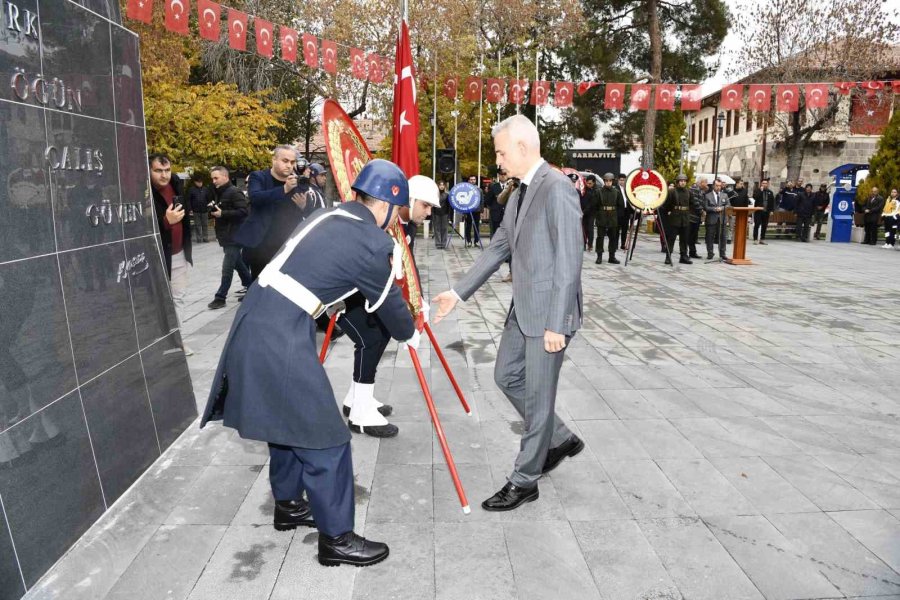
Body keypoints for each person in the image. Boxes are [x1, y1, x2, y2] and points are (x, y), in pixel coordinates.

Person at [201, 159, 417, 567]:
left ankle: (287, 505)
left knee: (286, 422)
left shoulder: (331, 214)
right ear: (388, 204)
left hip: (261, 317)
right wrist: (410, 334)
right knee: (327, 436)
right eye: (398, 211)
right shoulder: (370, 240)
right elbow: (388, 302)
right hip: (279, 333)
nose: (395, 221)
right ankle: (336, 539)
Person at [432, 115, 583, 512]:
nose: (497, 160)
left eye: (500, 152)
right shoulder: (519, 193)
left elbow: (570, 260)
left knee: (538, 394)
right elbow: (499, 248)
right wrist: (457, 293)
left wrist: (557, 323)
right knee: (505, 376)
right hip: (524, 309)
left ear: (521, 147)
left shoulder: (557, 188)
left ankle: (525, 479)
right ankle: (559, 437)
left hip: (549, 314)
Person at [338, 175, 440, 438]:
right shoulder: (382, 224)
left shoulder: (408, 225)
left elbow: (406, 265)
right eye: (425, 205)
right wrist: (405, 327)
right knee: (371, 337)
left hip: (367, 291)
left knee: (379, 334)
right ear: (411, 200)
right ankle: (360, 414)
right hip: (342, 295)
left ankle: (357, 398)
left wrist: (418, 299)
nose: (427, 213)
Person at [234, 146, 313, 280]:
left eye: (292, 162)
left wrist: (303, 206)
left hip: (287, 245)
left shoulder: (297, 181)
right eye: (285, 160)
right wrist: (284, 189)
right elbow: (255, 198)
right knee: (260, 286)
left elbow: (309, 212)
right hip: (261, 246)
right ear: (274, 160)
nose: (289, 165)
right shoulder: (258, 177)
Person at [149, 154, 192, 324]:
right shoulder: (144, 192)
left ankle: (179, 342)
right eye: (158, 171)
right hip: (157, 255)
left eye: (167, 170)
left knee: (178, 298)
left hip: (179, 253)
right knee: (158, 301)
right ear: (149, 170)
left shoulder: (175, 183)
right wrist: (167, 222)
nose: (164, 175)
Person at [207, 166, 252, 309]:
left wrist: (223, 214)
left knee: (227, 267)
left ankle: (220, 297)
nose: (213, 181)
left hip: (235, 236)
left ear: (225, 177)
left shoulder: (234, 192)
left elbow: (243, 212)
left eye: (216, 178)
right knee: (239, 265)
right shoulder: (220, 192)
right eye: (212, 178)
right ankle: (252, 289)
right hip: (226, 235)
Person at [660, 174, 693, 264]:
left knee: (684, 239)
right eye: (681, 181)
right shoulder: (672, 192)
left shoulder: (689, 192)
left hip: (685, 218)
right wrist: (668, 214)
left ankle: (683, 256)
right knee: (671, 238)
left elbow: (692, 204)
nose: (683, 182)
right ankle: (668, 256)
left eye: (684, 181)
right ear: (677, 182)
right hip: (675, 218)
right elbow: (665, 205)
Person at [595, 173, 621, 264]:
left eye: (610, 181)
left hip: (613, 216)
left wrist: (618, 217)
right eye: (606, 181)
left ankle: (612, 256)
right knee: (600, 237)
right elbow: (595, 205)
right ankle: (599, 256)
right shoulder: (599, 192)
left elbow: (620, 205)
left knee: (613, 237)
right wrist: (597, 216)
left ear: (612, 182)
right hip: (602, 215)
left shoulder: (616, 192)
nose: (608, 182)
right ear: (604, 181)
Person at [703, 179, 729, 260]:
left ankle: (722, 253)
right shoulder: (707, 195)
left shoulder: (725, 195)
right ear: (713, 186)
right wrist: (714, 209)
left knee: (723, 237)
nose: (718, 187)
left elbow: (728, 205)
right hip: (711, 219)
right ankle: (710, 253)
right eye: (717, 186)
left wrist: (721, 208)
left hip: (722, 219)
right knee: (710, 237)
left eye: (720, 186)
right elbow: (706, 207)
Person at [485, 170, 508, 239]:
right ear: (499, 176)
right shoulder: (494, 187)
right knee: (495, 231)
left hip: (508, 213)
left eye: (504, 174)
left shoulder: (511, 186)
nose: (503, 176)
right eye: (501, 174)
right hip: (496, 213)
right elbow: (488, 200)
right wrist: (493, 207)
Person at [188, 172, 210, 243]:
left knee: (205, 225)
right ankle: (199, 239)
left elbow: (209, 199)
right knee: (197, 225)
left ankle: (205, 238)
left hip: (204, 210)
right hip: (195, 210)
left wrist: (209, 207)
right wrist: (190, 209)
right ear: (195, 182)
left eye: (201, 182)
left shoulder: (206, 189)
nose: (200, 183)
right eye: (198, 182)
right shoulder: (191, 190)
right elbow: (188, 200)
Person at [688, 177, 707, 258]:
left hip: (696, 218)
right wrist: (702, 211)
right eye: (705, 182)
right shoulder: (695, 189)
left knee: (693, 236)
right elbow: (696, 202)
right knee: (689, 236)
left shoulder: (700, 190)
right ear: (701, 183)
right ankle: (685, 253)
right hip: (691, 217)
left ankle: (692, 252)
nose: (706, 184)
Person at [753, 179, 775, 244]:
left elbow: (772, 202)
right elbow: (755, 197)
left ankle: (762, 239)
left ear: (767, 184)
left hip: (766, 211)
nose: (764, 184)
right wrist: (761, 191)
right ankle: (755, 239)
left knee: (764, 225)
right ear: (761, 184)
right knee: (757, 225)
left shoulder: (770, 192)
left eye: (766, 183)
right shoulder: (757, 191)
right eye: (763, 183)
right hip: (758, 211)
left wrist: (772, 210)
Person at [463, 175, 482, 247]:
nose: (472, 181)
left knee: (476, 226)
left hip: (477, 210)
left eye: (474, 179)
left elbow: (481, 200)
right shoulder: (465, 189)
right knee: (468, 226)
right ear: (468, 181)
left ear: (476, 180)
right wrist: (464, 211)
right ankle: (468, 241)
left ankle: (476, 241)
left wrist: (481, 210)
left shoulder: (479, 190)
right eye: (471, 179)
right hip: (468, 210)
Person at [581, 174, 598, 252]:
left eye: (590, 183)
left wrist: (584, 211)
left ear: (594, 183)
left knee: (590, 229)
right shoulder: (584, 190)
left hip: (591, 213)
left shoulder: (596, 191)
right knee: (583, 229)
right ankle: (583, 244)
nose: (588, 185)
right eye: (587, 183)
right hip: (583, 213)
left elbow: (592, 204)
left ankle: (590, 245)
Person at [616, 173, 633, 249]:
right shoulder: (615, 189)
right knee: (616, 229)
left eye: (623, 180)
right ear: (618, 180)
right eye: (621, 180)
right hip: (618, 212)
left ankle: (623, 244)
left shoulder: (627, 189)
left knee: (625, 229)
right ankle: (615, 244)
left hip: (626, 211)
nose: (622, 182)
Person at [433, 180, 451, 249]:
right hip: (436, 213)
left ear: (444, 186)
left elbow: (449, 206)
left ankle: (443, 243)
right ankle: (438, 243)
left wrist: (449, 216)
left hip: (445, 214)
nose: (441, 186)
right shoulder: (435, 195)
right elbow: (433, 206)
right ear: (438, 186)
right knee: (437, 229)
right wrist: (432, 214)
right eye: (440, 185)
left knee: (444, 229)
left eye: (443, 185)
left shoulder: (447, 195)